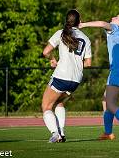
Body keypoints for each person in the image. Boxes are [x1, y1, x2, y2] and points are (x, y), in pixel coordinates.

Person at [79, 14, 119, 140]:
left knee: (110, 103)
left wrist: (82, 25)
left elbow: (102, 23)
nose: (113, 17)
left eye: (117, 17)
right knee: (105, 100)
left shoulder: (115, 29)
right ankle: (108, 133)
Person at [42, 9, 92, 143]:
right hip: (75, 80)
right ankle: (62, 133)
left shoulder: (61, 33)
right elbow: (88, 63)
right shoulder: (86, 39)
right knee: (59, 102)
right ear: (79, 22)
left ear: (66, 20)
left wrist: (52, 59)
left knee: (46, 106)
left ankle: (55, 133)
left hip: (61, 76)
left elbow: (46, 52)